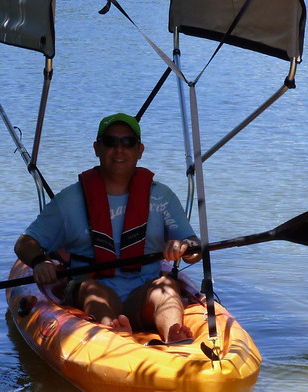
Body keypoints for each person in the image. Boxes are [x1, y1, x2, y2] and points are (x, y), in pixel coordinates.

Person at [14, 113, 202, 344]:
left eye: (128, 142)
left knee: (166, 286)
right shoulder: (70, 200)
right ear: (97, 148)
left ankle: (174, 334)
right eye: (111, 142)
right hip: (91, 289)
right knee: (94, 290)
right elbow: (25, 243)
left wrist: (185, 246)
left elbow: (195, 248)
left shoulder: (161, 197)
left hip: (143, 293)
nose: (119, 149)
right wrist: (39, 261)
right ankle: (114, 334)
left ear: (140, 150)